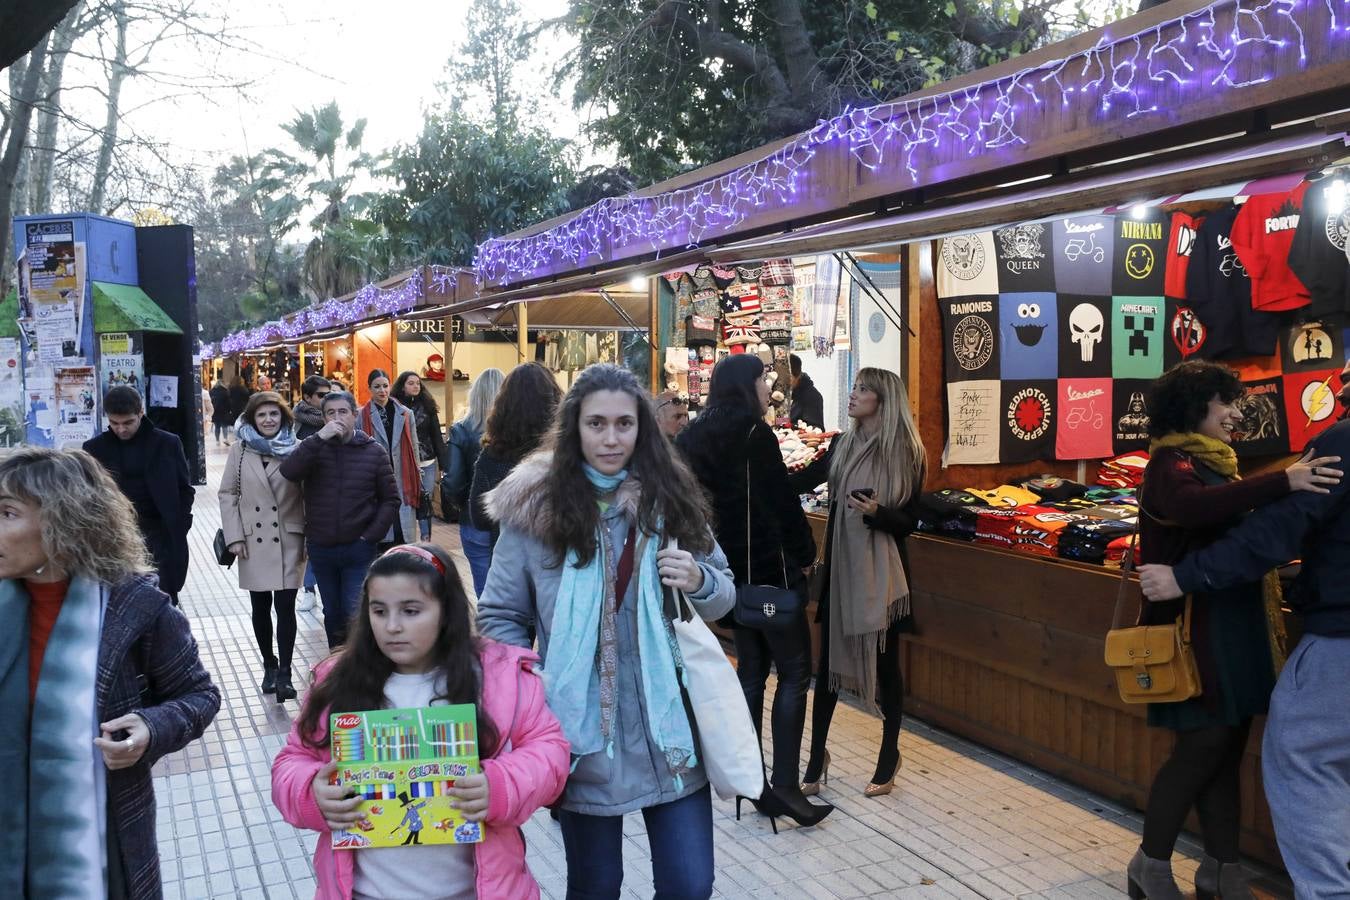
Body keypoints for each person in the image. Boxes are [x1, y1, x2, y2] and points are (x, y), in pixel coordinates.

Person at [478, 363, 736, 900]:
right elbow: (500, 615)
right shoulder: (534, 510)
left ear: (642, 427)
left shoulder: (670, 499)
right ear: (574, 427)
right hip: (581, 734)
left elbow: (724, 592)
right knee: (596, 887)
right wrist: (530, 686)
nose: (611, 438)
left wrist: (700, 579)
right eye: (597, 424)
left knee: (690, 885)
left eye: (624, 423)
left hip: (670, 733)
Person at [1131, 363, 1344, 900]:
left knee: (1226, 750)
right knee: (1201, 749)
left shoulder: (1217, 464)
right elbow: (1190, 508)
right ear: (1194, 406)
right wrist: (1285, 480)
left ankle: (1221, 870)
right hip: (1193, 633)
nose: (1235, 414)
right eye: (1224, 402)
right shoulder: (1170, 462)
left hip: (1231, 625)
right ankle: (1149, 865)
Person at [271, 542, 569, 899]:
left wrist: (501, 785)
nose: (392, 626)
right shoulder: (337, 683)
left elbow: (550, 752)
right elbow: (292, 761)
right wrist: (311, 793)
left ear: (445, 611)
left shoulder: (497, 678)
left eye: (411, 611)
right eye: (379, 611)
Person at [0, 447, 220, 899]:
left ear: (63, 521)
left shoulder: (134, 608)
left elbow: (199, 695)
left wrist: (150, 727)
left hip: (101, 844)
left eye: (7, 513)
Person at [675, 355, 829, 828]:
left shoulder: (691, 437)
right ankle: (785, 787)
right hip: (770, 573)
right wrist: (806, 553)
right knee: (795, 673)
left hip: (726, 579)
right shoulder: (754, 434)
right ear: (746, 385)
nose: (769, 386)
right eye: (763, 379)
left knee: (751, 673)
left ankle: (750, 780)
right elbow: (780, 502)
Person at [797, 367, 925, 800]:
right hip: (840, 570)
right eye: (853, 387)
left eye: (863, 389)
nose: (853, 395)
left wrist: (878, 513)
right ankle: (816, 759)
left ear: (883, 400)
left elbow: (909, 521)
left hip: (884, 578)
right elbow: (806, 478)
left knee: (887, 669)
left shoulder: (906, 453)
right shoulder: (842, 445)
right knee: (828, 668)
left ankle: (889, 756)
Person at [280, 391, 400, 649]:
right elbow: (289, 471)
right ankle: (336, 661)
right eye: (330, 413)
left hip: (358, 547)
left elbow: (391, 499)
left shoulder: (373, 451)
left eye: (343, 412)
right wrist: (317, 439)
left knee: (354, 610)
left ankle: (359, 662)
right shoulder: (314, 448)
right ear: (323, 418)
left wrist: (370, 537)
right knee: (332, 612)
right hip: (322, 547)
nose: (337, 418)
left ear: (354, 415)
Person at [218, 391, 307, 703]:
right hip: (252, 539)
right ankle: (269, 664)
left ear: (284, 417)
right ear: (252, 419)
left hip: (289, 537)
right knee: (260, 606)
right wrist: (234, 536)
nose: (268, 420)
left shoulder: (297, 448)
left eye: (274, 414)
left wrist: (310, 533)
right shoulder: (240, 450)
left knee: (286, 606)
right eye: (262, 415)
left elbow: (310, 492)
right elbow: (228, 493)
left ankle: (285, 672)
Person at [84, 386, 195, 606]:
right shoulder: (94, 449)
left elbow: (185, 489)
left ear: (141, 413)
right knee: (122, 604)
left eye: (128, 422)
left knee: (164, 600)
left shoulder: (168, 443)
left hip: (161, 536)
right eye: (114, 423)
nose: (121, 429)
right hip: (116, 538)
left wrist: (180, 524)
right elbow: (89, 496)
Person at [467, 362, 563, 558]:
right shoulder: (565, 453)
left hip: (508, 558)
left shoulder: (492, 456)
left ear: (504, 405)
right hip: (558, 557)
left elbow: (479, 518)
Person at [444, 368, 504, 595]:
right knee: (511, 589)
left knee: (484, 589)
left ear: (474, 395)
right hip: (510, 520)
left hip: (473, 519)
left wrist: (462, 505)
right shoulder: (516, 431)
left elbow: (453, 480)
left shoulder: (461, 430)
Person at [358, 369, 420, 548]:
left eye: (385, 386)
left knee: (402, 532)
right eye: (377, 387)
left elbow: (414, 446)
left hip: (402, 474)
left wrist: (417, 473)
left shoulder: (406, 413)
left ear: (390, 386)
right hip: (375, 476)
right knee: (383, 530)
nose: (382, 391)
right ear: (369, 388)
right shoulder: (361, 415)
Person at [393, 370, 448, 541]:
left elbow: (436, 435)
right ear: (402, 386)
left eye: (418, 383)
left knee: (425, 500)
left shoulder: (428, 406)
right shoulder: (395, 407)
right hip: (404, 462)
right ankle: (406, 537)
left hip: (427, 460)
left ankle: (425, 540)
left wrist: (444, 464)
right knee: (405, 500)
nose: (415, 386)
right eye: (411, 383)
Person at [788, 353, 825, 429]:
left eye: (787, 378)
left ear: (798, 375)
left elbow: (817, 429)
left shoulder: (812, 397)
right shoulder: (787, 392)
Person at [293, 375, 331, 440]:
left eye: (329, 394)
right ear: (307, 398)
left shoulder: (334, 415)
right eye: (322, 395)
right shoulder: (295, 417)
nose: (327, 397)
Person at [209, 378, 232, 445]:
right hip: (224, 411)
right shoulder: (225, 391)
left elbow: (211, 401)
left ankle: (217, 441)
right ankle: (225, 439)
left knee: (217, 427)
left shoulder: (212, 391)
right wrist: (229, 410)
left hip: (215, 411)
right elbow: (228, 402)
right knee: (224, 426)